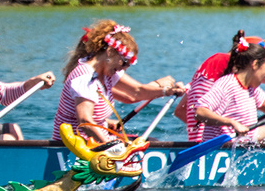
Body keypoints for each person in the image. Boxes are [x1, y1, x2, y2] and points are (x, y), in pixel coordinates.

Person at [51, 21, 186, 144]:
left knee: (151, 142)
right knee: (145, 144)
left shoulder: (108, 73)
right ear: (110, 52)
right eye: (124, 62)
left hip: (95, 142)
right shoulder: (85, 78)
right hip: (75, 147)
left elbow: (136, 92)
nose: (125, 68)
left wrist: (168, 91)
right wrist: (112, 147)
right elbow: (85, 121)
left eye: (128, 65)